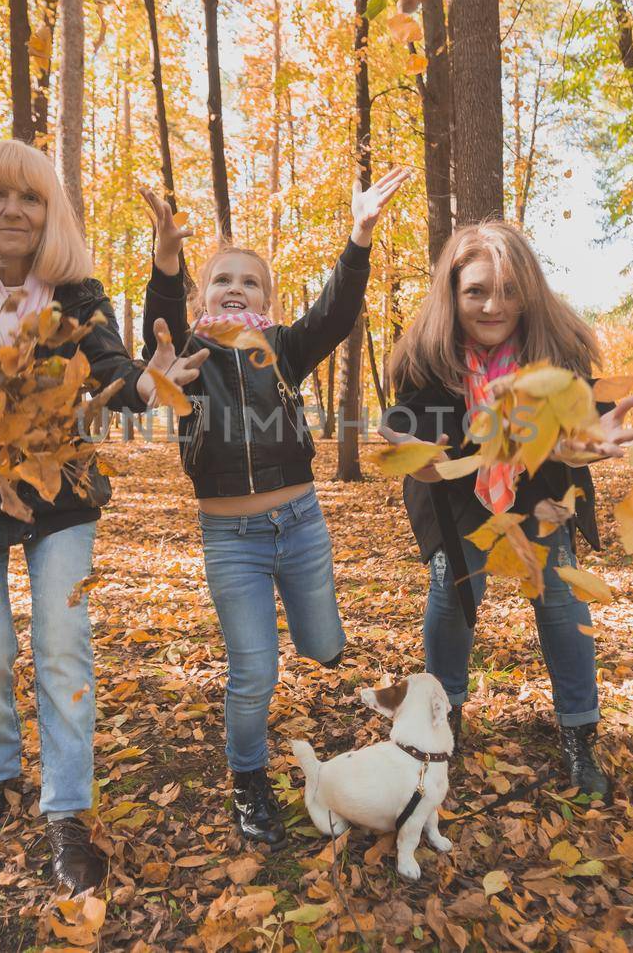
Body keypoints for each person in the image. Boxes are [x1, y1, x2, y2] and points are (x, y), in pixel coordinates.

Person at [0, 139, 205, 893]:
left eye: (30, 197)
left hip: (61, 496)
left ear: (51, 211)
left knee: (62, 644)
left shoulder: (78, 294)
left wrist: (149, 385)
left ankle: (67, 814)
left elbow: (116, 371)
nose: (13, 210)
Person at [136, 167, 411, 844]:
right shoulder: (188, 354)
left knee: (323, 647)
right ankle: (248, 778)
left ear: (269, 298)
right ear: (204, 295)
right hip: (232, 539)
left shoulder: (284, 348)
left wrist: (359, 235)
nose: (235, 287)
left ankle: (318, 636)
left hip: (302, 526)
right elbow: (161, 324)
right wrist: (166, 260)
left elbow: (337, 313)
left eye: (249, 280)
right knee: (253, 669)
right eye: (222, 279)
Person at [382, 221, 633, 797]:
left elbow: (578, 432)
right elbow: (411, 431)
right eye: (476, 290)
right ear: (453, 293)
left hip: (540, 494)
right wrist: (418, 458)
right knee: (452, 597)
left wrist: (582, 445)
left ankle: (579, 731)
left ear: (529, 291)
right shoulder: (426, 355)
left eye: (508, 290)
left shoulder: (558, 350)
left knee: (560, 600)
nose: (493, 305)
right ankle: (443, 712)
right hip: (456, 500)